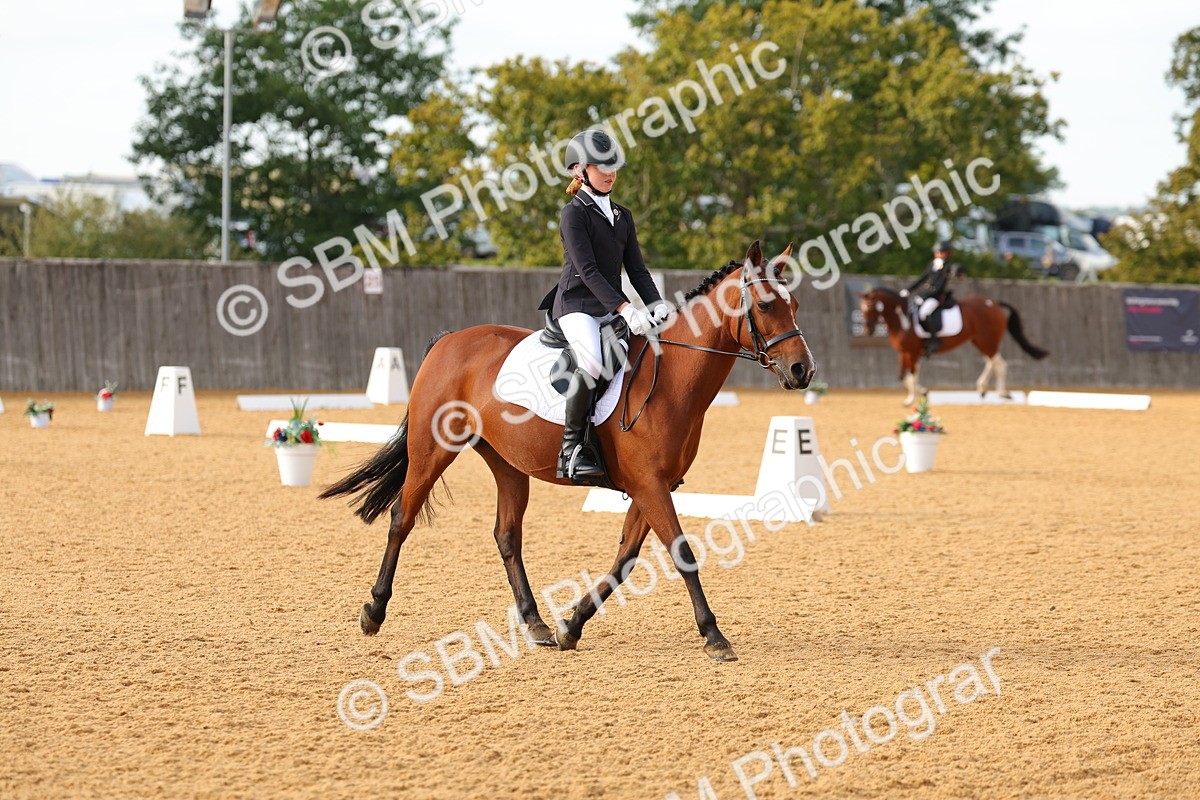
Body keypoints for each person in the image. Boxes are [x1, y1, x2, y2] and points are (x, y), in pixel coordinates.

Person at [537, 129, 669, 482]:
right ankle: (571, 449)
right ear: (580, 171)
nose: (610, 173)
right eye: (602, 167)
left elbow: (637, 270)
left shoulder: (622, 215)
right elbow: (589, 270)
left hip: (610, 305)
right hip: (577, 304)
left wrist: (656, 304)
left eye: (614, 167)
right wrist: (626, 309)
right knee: (593, 362)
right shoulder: (573, 214)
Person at [901, 240, 957, 355]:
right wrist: (908, 290)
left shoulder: (947, 267)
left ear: (947, 254)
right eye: (937, 252)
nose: (938, 254)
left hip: (936, 297)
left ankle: (934, 339)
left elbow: (938, 287)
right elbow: (922, 279)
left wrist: (923, 296)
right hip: (926, 295)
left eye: (941, 252)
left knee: (924, 313)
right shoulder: (933, 264)